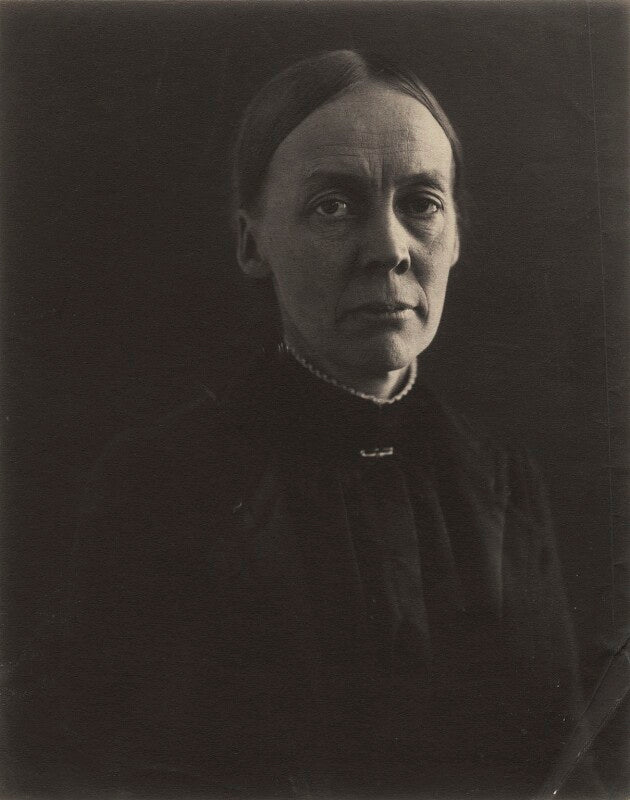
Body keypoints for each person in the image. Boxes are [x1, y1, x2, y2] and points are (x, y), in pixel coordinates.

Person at [7, 50, 593, 799]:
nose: (390, 250)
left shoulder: (505, 482)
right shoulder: (160, 485)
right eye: (333, 206)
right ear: (252, 242)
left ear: (455, 236)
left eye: (422, 203)